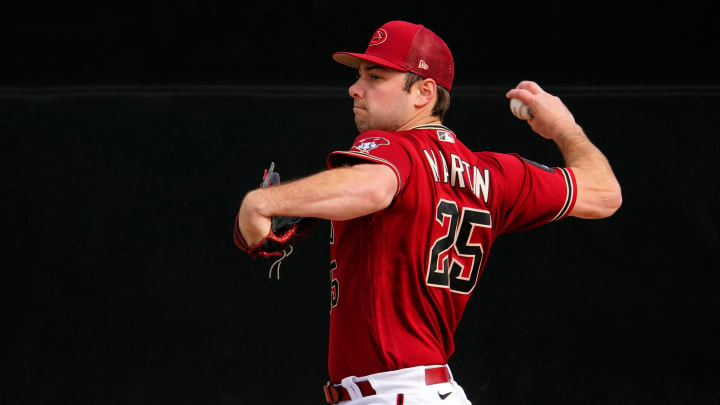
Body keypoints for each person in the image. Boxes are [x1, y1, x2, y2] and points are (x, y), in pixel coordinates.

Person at [236, 20, 622, 405]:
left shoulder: (392, 146)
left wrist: (263, 202)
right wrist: (564, 128)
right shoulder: (497, 175)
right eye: (359, 75)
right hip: (430, 391)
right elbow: (604, 194)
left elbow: (375, 186)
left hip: (392, 394)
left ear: (424, 92)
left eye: (375, 76)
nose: (355, 88)